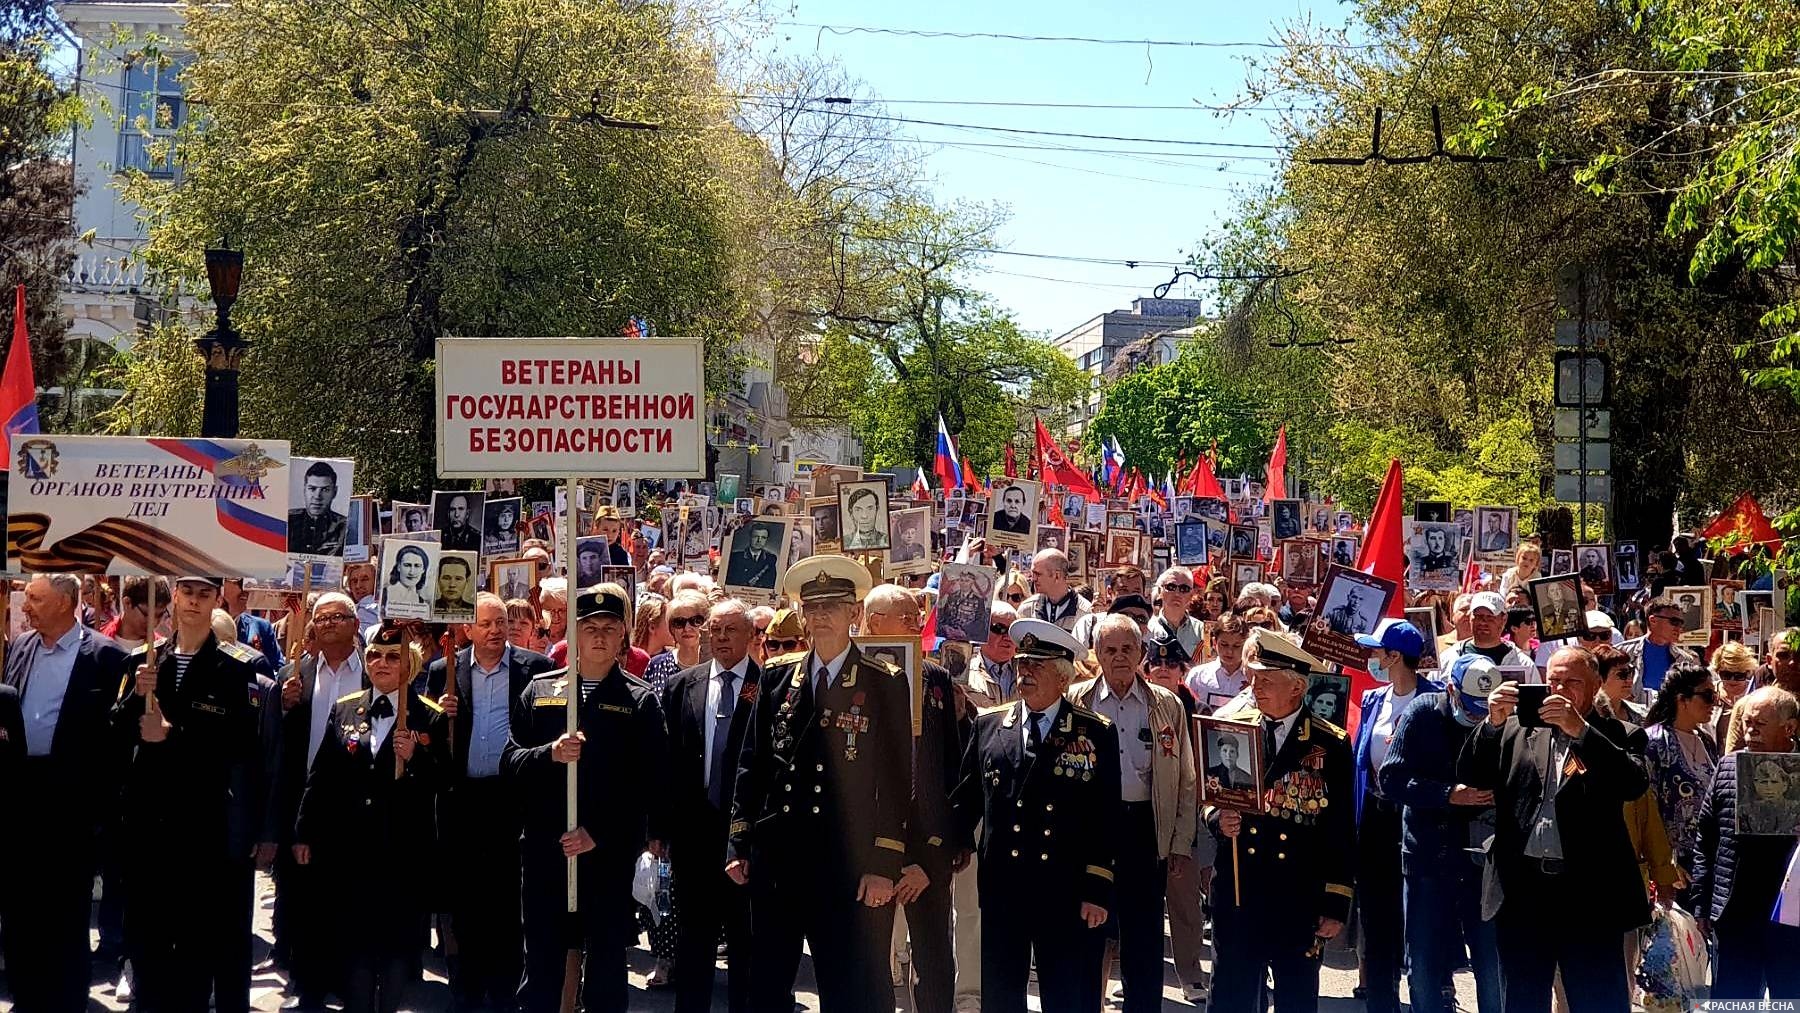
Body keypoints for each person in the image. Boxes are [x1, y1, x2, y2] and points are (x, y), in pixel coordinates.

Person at [727, 555, 912, 1011]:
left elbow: (895, 778)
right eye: (813, 608)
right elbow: (752, 766)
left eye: (833, 606)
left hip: (845, 862)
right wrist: (738, 842)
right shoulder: (776, 679)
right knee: (766, 985)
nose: (822, 616)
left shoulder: (883, 682)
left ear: (855, 613)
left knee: (846, 987)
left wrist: (883, 864)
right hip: (779, 859)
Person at [1455, 647, 1650, 1013]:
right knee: (1523, 998)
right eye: (1553, 680)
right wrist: (1491, 724)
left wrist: (1581, 731)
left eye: (1571, 682)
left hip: (1589, 895)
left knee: (1597, 999)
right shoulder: (1517, 727)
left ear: (1594, 687)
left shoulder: (1621, 734)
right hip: (1523, 891)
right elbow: (1471, 777)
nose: (1559, 690)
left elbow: (1633, 783)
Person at [504, 583, 670, 1012]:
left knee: (607, 968)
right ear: (573, 634)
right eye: (589, 626)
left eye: (609, 627)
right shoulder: (540, 693)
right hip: (547, 852)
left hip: (605, 856)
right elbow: (511, 763)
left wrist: (599, 834)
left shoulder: (640, 702)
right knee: (541, 964)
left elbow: (649, 786)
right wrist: (550, 754)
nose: (598, 635)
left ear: (623, 636)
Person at [112, 575, 265, 1012]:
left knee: (196, 955)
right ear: (173, 597)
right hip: (147, 830)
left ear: (218, 600)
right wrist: (132, 702)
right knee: (147, 947)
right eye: (187, 594)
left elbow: (241, 745)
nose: (194, 603)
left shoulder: (238, 667)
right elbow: (114, 735)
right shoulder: (143, 661)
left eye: (205, 595)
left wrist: (173, 736)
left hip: (203, 830)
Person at [951, 619, 1120, 1013]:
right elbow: (968, 797)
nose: (1025, 673)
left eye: (1037, 666)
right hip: (1003, 887)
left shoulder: (1094, 732)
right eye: (1022, 664)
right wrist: (950, 844)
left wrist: (1097, 890)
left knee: (1066, 994)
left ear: (1063, 678)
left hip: (1064, 888)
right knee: (1001, 992)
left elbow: (1105, 815)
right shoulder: (990, 725)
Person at [292, 622, 449, 1013]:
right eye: (375, 655)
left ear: (408, 664)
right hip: (351, 852)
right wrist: (303, 832)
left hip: (402, 853)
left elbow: (445, 781)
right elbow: (321, 776)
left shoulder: (427, 716)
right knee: (354, 946)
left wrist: (417, 759)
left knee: (396, 949)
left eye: (393, 656)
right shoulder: (347, 706)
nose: (381, 663)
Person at [1205, 629, 1355, 1013]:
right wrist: (1217, 819)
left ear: (1297, 687)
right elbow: (1209, 797)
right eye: (1254, 677)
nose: (1255, 686)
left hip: (1297, 896)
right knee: (1231, 997)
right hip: (1241, 889)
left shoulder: (1329, 743)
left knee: (1296, 998)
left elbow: (1339, 828)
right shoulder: (1232, 725)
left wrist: (1336, 902)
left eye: (1266, 680)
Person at [0, 574, 130, 1012]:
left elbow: (118, 736)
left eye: (36, 598)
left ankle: (66, 997)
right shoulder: (21, 646)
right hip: (21, 793)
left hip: (73, 801)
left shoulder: (107, 656)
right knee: (20, 903)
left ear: (67, 602)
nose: (27, 605)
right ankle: (26, 991)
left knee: (66, 907)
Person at [426, 593, 554, 1010]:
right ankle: (467, 987)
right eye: (487, 624)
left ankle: (505, 988)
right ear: (468, 629)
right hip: (463, 800)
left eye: (501, 622)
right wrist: (438, 714)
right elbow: (429, 740)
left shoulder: (535, 669)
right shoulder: (443, 672)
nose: (497, 631)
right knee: (465, 902)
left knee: (506, 900)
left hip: (511, 798)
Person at [1065, 614, 1195, 1013]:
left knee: (1143, 937)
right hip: (1093, 831)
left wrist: (1178, 842)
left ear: (1142, 652)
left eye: (1128, 649)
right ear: (1097, 654)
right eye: (1110, 650)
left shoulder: (1167, 703)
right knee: (1090, 932)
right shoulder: (1077, 700)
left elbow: (1187, 778)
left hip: (1145, 828)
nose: (1119, 658)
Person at [1377, 653, 1502, 1013]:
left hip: (1484, 862)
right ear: (1451, 690)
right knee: (1425, 962)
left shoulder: (1502, 720)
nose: (1478, 716)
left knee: (1492, 964)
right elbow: (1392, 778)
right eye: (1472, 706)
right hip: (1428, 858)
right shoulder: (1423, 713)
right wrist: (1446, 794)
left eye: (1485, 708)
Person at [864, 585, 962, 1013]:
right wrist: (885, 860)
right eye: (902, 616)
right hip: (871, 854)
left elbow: (952, 772)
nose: (914, 623)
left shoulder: (937, 678)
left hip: (928, 856)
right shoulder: (850, 677)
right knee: (869, 964)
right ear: (871, 624)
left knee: (935, 960)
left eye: (915, 616)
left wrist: (936, 856)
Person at [661, 599, 760, 1013]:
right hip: (693, 836)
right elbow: (666, 760)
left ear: (751, 636)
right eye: (714, 630)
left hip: (745, 837)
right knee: (694, 942)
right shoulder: (683, 685)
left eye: (730, 631)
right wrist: (660, 829)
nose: (720, 638)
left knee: (745, 944)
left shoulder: (769, 685)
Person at [273, 591, 368, 1009]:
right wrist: (283, 704)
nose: (329, 623)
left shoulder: (374, 672)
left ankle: (348, 982)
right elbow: (277, 743)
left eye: (338, 616)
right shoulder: (295, 677)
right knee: (304, 899)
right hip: (306, 802)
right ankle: (307, 984)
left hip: (357, 802)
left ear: (356, 624)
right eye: (321, 618)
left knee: (349, 900)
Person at [1691, 686, 1800, 1000]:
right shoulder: (1728, 766)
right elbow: (1706, 837)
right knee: (1733, 1000)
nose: (1750, 731)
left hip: (1790, 915)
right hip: (1736, 911)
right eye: (1747, 723)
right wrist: (1702, 902)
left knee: (1790, 998)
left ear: (1789, 728)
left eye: (1760, 725)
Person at [1349, 619, 1429, 1013]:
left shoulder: (1433, 701)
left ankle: (1425, 998)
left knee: (1415, 920)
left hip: (1416, 823)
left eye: (1376, 651)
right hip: (1376, 823)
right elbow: (1359, 763)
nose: (1371, 658)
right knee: (1376, 920)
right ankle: (1381, 1001)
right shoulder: (1373, 701)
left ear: (1394, 656)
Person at [1619, 596, 1700, 705]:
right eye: (1674, 622)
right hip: (1631, 719)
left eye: (1681, 623)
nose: (1679, 628)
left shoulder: (1685, 661)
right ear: (1653, 620)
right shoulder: (1622, 652)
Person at [1440, 592, 1536, 670]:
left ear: (1504, 619)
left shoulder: (1523, 664)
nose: (1483, 622)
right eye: (1478, 616)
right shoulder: (1448, 659)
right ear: (1470, 618)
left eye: (1490, 617)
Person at [645, 590, 709, 695]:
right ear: (671, 628)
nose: (687, 628)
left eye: (696, 621)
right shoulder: (656, 664)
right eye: (679, 622)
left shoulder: (716, 665)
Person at [1018, 549, 1091, 633]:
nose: (1033, 579)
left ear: (1057, 575)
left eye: (1038, 574)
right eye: (1032, 574)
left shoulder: (1083, 612)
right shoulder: (1027, 609)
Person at [1189, 613, 1250, 714]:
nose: (1229, 651)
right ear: (1214, 643)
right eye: (1224, 645)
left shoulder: (1253, 678)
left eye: (1236, 646)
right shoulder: (1198, 676)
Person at [223, 576, 285, 669]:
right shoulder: (201, 628)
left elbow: (277, 667)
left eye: (247, 579)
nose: (245, 587)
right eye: (236, 580)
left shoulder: (262, 627)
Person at [288, 460, 348, 556]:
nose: (317, 496)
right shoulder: (286, 520)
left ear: (334, 492)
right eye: (312, 489)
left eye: (325, 490)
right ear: (304, 490)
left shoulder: (345, 526)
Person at [1147, 566, 1204, 657]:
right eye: (1171, 587)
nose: (1177, 594)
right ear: (1159, 591)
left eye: (1184, 589)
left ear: (1191, 595)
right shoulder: (1148, 629)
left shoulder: (1202, 631)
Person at [726, 523, 779, 588]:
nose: (759, 541)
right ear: (750, 536)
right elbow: (730, 581)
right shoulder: (735, 557)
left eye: (763, 538)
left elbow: (771, 583)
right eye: (756, 536)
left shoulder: (771, 559)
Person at [385, 545, 431, 611]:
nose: (412, 572)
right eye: (407, 565)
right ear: (398, 567)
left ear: (423, 570)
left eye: (417, 566)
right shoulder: (383, 595)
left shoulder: (424, 605)